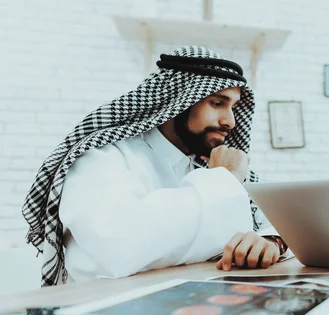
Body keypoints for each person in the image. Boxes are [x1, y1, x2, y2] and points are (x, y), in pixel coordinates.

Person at [22, 46, 287, 286]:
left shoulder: (208, 164)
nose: (230, 121)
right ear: (177, 101)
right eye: (217, 103)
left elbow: (281, 218)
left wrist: (269, 241)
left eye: (234, 107)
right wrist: (223, 180)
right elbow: (118, 245)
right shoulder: (103, 157)